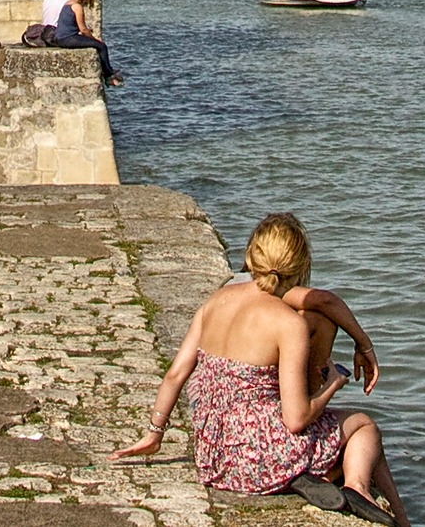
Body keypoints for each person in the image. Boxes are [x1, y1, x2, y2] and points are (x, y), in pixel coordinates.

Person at [111, 211, 404, 526]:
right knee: (364, 426)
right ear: (301, 267)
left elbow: (175, 374)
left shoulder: (215, 301)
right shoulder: (287, 323)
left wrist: (154, 434)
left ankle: (323, 483)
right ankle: (358, 489)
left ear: (250, 256)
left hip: (214, 459)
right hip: (258, 461)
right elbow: (295, 419)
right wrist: (332, 383)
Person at [47, 0, 121, 88]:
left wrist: (87, 32)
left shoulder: (68, 3)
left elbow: (72, 25)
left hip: (60, 37)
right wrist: (94, 40)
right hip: (68, 39)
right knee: (101, 46)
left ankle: (108, 73)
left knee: (97, 45)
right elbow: (83, 29)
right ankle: (109, 75)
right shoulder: (77, 7)